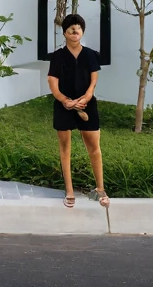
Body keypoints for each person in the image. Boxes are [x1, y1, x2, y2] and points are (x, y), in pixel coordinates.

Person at [47, 13, 108, 208]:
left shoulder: (90, 54)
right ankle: (70, 190)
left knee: (94, 148)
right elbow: (52, 82)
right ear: (65, 32)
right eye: (71, 28)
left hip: (86, 104)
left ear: (82, 32)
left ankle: (100, 190)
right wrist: (64, 100)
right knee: (65, 149)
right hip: (64, 106)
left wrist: (87, 96)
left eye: (78, 28)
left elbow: (94, 78)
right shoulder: (57, 56)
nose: (75, 31)